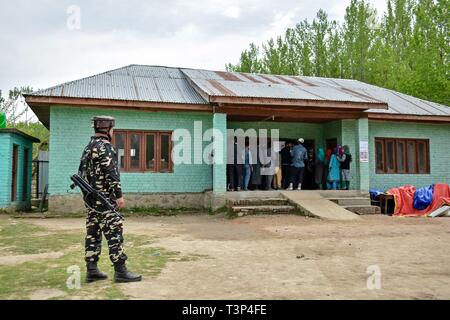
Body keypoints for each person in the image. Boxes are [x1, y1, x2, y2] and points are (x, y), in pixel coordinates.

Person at [79, 116, 141, 283]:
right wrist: (119, 195)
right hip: (105, 200)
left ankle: (92, 270)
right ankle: (120, 271)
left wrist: (88, 196)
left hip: (91, 201)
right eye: (113, 129)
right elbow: (111, 173)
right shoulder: (105, 147)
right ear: (108, 129)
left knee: (93, 234)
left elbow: (81, 174)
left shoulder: (88, 148)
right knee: (115, 233)